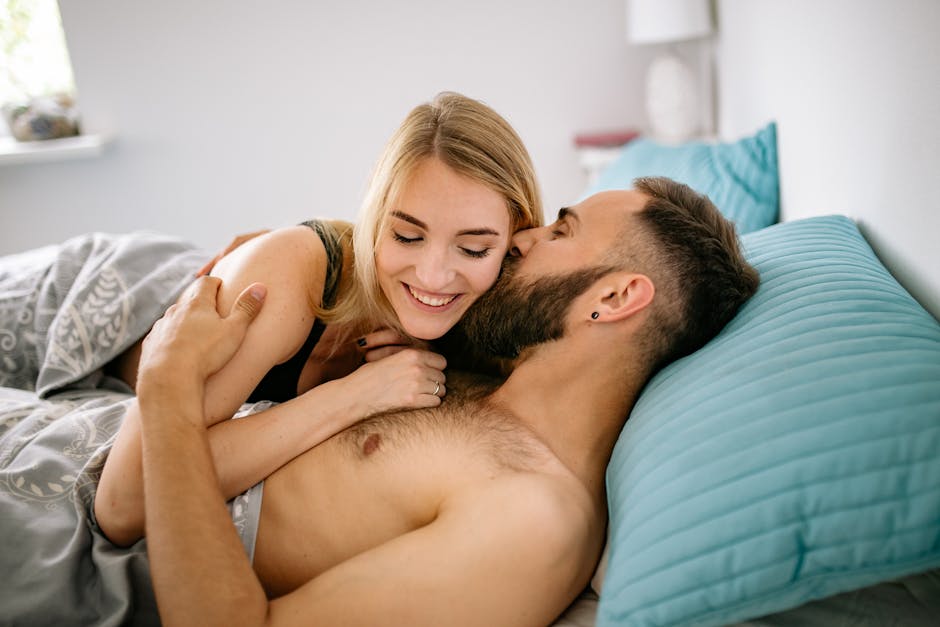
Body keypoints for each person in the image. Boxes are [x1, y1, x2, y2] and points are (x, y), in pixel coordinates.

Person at [132, 177, 760, 625]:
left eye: (561, 231)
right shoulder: (482, 369)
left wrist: (163, 391)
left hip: (127, 560)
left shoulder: (533, 518)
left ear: (617, 298)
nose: (523, 238)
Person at [95, 91, 543, 546]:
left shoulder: (498, 323)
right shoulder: (293, 277)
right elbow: (124, 503)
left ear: (516, 239)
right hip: (104, 300)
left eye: (472, 249)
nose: (432, 275)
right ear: (373, 218)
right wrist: (354, 395)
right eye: (406, 236)